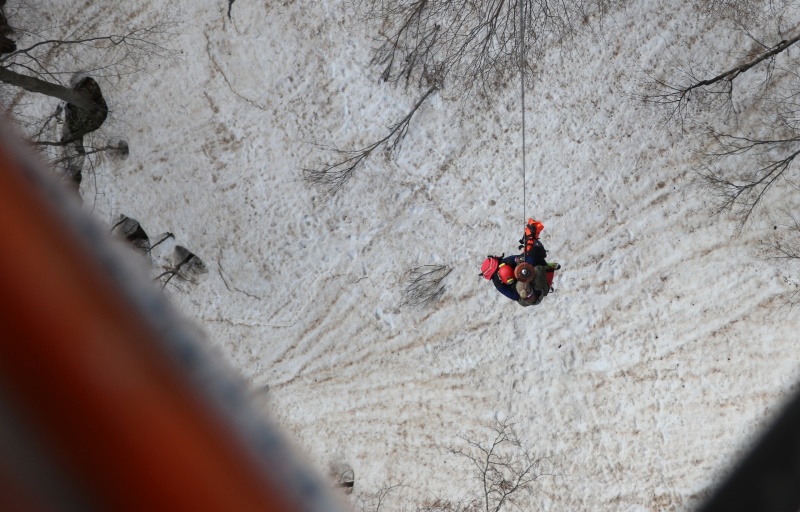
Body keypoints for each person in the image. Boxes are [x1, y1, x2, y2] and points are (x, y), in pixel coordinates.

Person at [480, 219, 559, 307]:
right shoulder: (501, 284)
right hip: (535, 290)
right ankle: (547, 267)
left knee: (532, 255)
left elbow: (524, 259)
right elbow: (515, 296)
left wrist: (524, 263)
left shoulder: (506, 263)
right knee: (537, 268)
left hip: (526, 277)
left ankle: (531, 240)